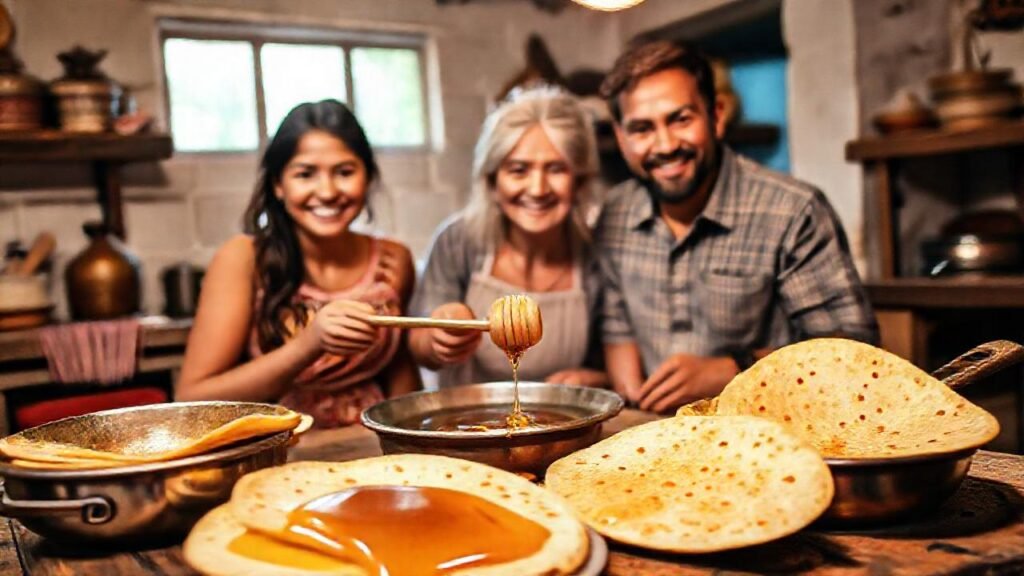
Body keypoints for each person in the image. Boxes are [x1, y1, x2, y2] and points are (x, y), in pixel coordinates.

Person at [596, 41, 878, 413]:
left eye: (681, 119)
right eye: (642, 129)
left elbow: (856, 350)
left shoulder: (792, 210)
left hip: (772, 434)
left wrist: (732, 369)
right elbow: (618, 329)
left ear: (716, 116)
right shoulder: (614, 213)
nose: (664, 145)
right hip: (658, 441)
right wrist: (630, 397)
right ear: (621, 137)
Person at [177, 100, 421, 427]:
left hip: (372, 450)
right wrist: (310, 344)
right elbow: (193, 398)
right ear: (278, 184)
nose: (328, 191)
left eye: (345, 172)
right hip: (280, 451)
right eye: (305, 174)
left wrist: (413, 446)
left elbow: (399, 371)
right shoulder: (244, 259)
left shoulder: (393, 260)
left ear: (368, 177)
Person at [409, 86, 607, 388]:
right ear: (492, 181)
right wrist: (438, 338)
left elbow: (609, 360)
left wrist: (595, 378)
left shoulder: (595, 254)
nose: (538, 189)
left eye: (556, 169)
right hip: (466, 425)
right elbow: (418, 343)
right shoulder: (458, 240)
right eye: (518, 170)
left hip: (560, 428)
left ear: (579, 181)